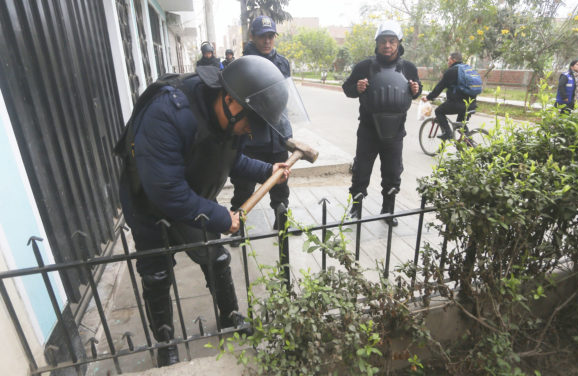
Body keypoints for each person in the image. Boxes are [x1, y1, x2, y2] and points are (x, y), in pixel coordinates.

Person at [115, 56, 301, 367]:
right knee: (157, 273)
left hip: (193, 197)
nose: (249, 131)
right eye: (249, 123)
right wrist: (219, 216)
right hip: (149, 202)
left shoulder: (233, 116)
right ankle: (166, 344)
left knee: (216, 256)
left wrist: (268, 169)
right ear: (228, 99)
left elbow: (231, 160)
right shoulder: (168, 113)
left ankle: (228, 318)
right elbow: (167, 192)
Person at [342, 20, 422, 226]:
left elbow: (416, 91)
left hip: (395, 131)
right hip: (368, 130)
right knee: (361, 170)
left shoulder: (408, 68)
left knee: (393, 171)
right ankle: (356, 207)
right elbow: (347, 88)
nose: (387, 45)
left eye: (392, 41)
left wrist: (416, 90)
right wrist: (357, 88)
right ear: (377, 43)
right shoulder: (364, 66)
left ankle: (388, 210)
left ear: (399, 43)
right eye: (383, 41)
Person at [229, 15, 293, 232]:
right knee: (244, 187)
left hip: (277, 135)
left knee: (280, 185)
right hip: (251, 137)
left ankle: (281, 222)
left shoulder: (283, 63)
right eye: (262, 36)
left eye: (270, 36)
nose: (267, 41)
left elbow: (286, 97)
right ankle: (237, 225)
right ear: (252, 37)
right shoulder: (241, 65)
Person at [421, 52, 477, 141]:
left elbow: (439, 87)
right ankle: (470, 145)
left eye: (448, 60)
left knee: (439, 111)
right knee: (460, 125)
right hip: (471, 104)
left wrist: (428, 97)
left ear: (453, 60)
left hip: (458, 104)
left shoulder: (452, 71)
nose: (448, 62)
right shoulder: (468, 69)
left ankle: (448, 133)